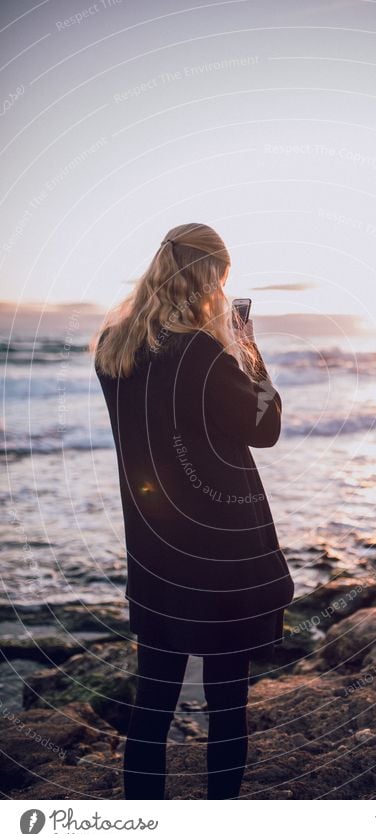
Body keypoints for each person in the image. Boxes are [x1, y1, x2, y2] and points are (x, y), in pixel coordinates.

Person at [91, 223, 294, 800]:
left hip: (155, 552)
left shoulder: (113, 351)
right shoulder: (204, 354)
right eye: (222, 280)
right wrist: (248, 349)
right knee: (228, 704)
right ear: (210, 277)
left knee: (151, 706)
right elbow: (266, 429)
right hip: (222, 553)